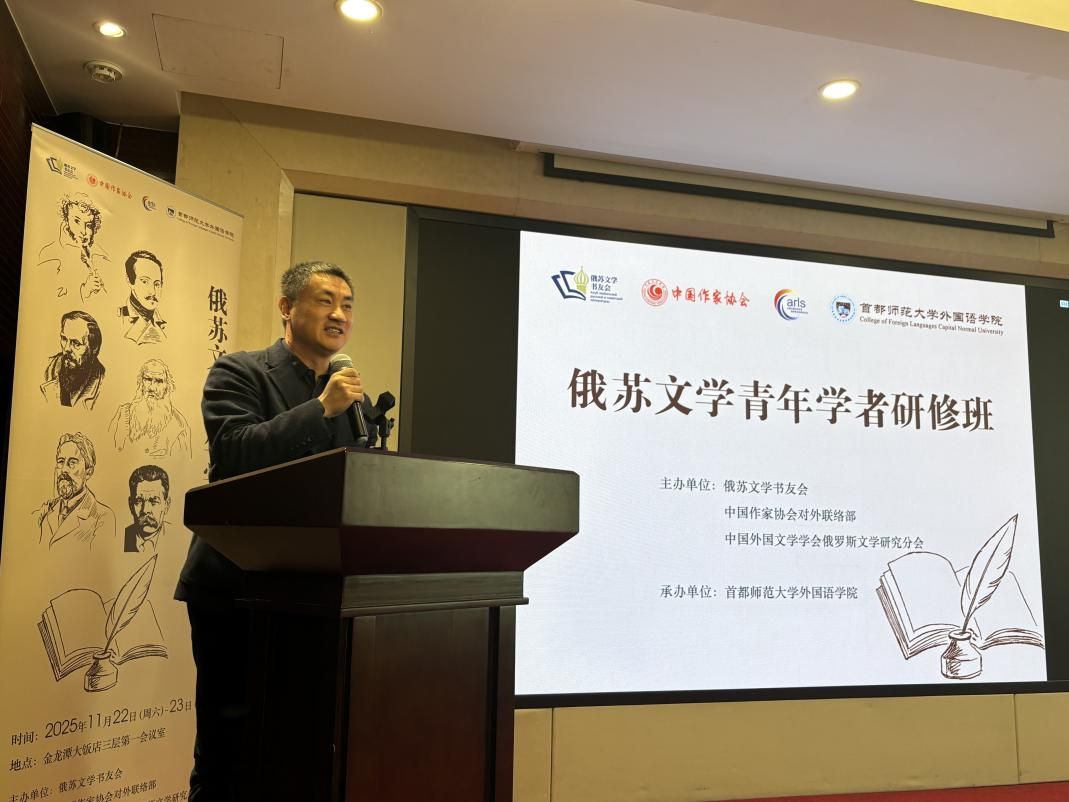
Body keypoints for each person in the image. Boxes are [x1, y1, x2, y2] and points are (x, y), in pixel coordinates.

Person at [175, 261, 375, 802]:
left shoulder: (348, 395)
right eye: (325, 300)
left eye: (347, 304)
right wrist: (321, 409)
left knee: (303, 747)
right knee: (230, 749)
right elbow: (234, 454)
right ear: (287, 308)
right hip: (236, 588)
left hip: (317, 593)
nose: (339, 314)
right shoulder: (240, 372)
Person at [34, 432, 116, 549]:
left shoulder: (102, 517)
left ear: (88, 472)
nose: (64, 469)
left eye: (72, 462)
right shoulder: (46, 512)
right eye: (61, 461)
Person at [109, 359, 191, 457]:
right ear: (141, 383)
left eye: (159, 381)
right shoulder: (122, 414)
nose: (152, 388)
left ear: (167, 387)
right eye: (147, 379)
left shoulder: (179, 426)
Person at [37, 192, 110, 301]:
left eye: (89, 225)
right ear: (66, 221)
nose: (83, 231)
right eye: (77, 221)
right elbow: (47, 299)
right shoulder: (50, 255)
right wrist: (85, 291)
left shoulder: (100, 256)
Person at [40, 311, 105, 409]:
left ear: (94, 348)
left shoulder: (104, 383)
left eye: (76, 343)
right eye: (64, 339)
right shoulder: (45, 369)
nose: (66, 349)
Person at [118, 250, 167, 344]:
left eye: (157, 284)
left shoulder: (166, 325)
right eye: (145, 282)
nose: (153, 292)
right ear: (130, 281)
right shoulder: (120, 319)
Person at [124, 465, 171, 553]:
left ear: (167, 505)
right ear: (130, 505)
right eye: (139, 501)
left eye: (154, 501)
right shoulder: (119, 537)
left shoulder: (178, 537)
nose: (145, 510)